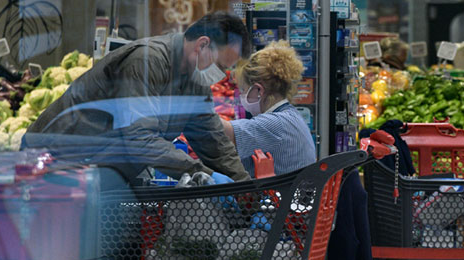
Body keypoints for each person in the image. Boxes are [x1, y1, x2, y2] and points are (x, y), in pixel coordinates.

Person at [23, 11, 252, 185]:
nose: (222, 75)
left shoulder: (195, 80)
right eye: (222, 66)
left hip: (96, 169)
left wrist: (245, 189)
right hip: (54, 164)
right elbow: (140, 139)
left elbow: (212, 141)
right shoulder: (146, 61)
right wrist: (202, 174)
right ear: (202, 45)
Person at [222, 40, 316, 176]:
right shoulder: (289, 115)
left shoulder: (277, 124)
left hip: (284, 196)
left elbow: (222, 132)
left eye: (243, 89)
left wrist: (193, 111)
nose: (241, 96)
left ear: (258, 91)